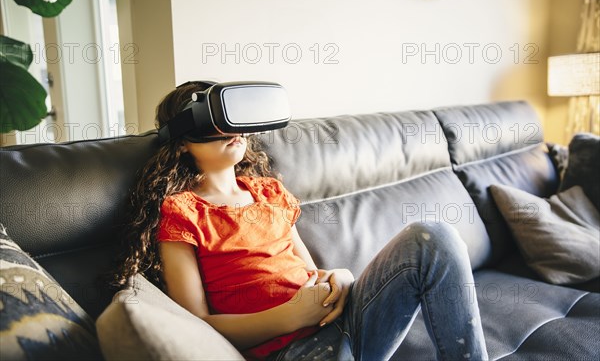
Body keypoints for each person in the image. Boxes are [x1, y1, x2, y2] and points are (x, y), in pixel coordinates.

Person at [112, 81, 489, 361]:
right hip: (296, 349)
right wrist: (289, 317)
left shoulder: (269, 192)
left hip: (346, 319)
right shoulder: (182, 212)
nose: (233, 131)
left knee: (433, 236)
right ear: (181, 141)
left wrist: (341, 277)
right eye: (214, 121)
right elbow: (197, 321)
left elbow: (312, 274)